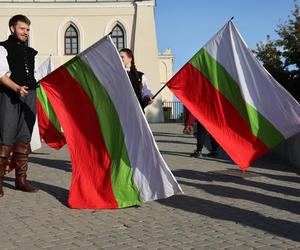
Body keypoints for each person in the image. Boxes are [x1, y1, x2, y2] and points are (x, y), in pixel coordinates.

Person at [0, 14, 39, 197]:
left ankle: (21, 180)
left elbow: (34, 75)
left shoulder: (31, 52)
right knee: (6, 136)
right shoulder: (2, 48)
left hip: (30, 95)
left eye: (28, 29)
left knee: (24, 138)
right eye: (22, 28)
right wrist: (16, 88)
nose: (26, 32)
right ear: (12, 28)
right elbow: (0, 75)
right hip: (10, 95)